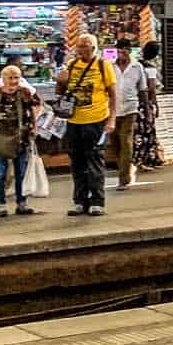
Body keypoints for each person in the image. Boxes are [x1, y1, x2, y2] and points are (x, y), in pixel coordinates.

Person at [56, 33, 116, 216]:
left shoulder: (103, 66)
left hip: (96, 121)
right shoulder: (71, 65)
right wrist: (61, 80)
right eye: (79, 46)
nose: (81, 50)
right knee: (77, 163)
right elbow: (60, 92)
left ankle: (97, 201)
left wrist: (112, 119)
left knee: (95, 161)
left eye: (85, 46)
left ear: (93, 47)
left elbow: (113, 94)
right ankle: (80, 201)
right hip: (74, 121)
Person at [0, 63, 41, 217]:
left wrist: (34, 126)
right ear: (3, 78)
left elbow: (37, 107)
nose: (14, 81)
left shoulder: (26, 93)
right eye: (10, 78)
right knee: (0, 173)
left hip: (22, 138)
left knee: (21, 172)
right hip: (1, 138)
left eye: (17, 78)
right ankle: (0, 203)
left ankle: (22, 203)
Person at [112, 39, 145, 190]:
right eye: (120, 49)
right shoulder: (109, 67)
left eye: (125, 49)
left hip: (130, 108)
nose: (122, 52)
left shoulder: (137, 67)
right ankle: (125, 167)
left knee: (125, 141)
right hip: (112, 109)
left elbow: (143, 89)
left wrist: (147, 108)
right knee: (116, 143)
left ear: (130, 51)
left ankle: (123, 179)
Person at [133, 42, 164, 172]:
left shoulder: (136, 65)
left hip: (136, 103)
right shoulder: (150, 68)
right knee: (148, 131)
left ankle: (137, 159)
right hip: (146, 104)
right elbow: (151, 88)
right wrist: (154, 104)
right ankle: (147, 159)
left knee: (138, 132)